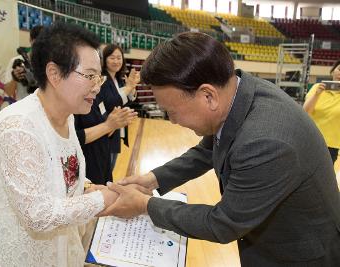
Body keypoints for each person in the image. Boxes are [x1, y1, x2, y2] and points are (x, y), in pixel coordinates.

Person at [101, 32, 340, 265]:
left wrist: (145, 205)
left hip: (300, 254)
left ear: (208, 96)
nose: (172, 120)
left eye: (171, 111)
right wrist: (151, 180)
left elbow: (224, 223)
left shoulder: (265, 142)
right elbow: (207, 150)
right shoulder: (239, 91)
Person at [0, 22, 119, 266]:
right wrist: (105, 198)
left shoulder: (66, 116)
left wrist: (88, 188)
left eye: (98, 77)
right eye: (89, 76)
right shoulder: (19, 128)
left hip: (54, 249)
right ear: (54, 74)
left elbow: (58, 174)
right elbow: (38, 215)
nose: (97, 86)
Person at [98, 44, 140, 170]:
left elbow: (125, 101)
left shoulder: (119, 79)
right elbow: (111, 102)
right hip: (105, 131)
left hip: (116, 131)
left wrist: (131, 88)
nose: (116, 61)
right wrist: (128, 88)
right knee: (105, 170)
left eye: (119, 58)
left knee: (110, 169)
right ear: (105, 59)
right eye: (112, 57)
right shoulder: (102, 79)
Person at [75, 104, 137, 185]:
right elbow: (74, 137)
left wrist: (114, 124)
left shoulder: (94, 99)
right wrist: (108, 126)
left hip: (103, 156)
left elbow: (103, 128)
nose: (96, 90)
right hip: (88, 166)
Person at [303, 59, 340, 164]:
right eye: (339, 69)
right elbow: (305, 112)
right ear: (333, 71)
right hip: (311, 140)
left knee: (322, 179)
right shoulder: (317, 88)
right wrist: (317, 94)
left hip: (331, 146)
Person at [3, 25, 43, 101]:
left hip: (44, 109)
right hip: (24, 108)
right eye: (38, 42)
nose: (41, 47)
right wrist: (15, 79)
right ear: (31, 40)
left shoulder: (49, 63)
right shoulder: (16, 61)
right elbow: (8, 92)